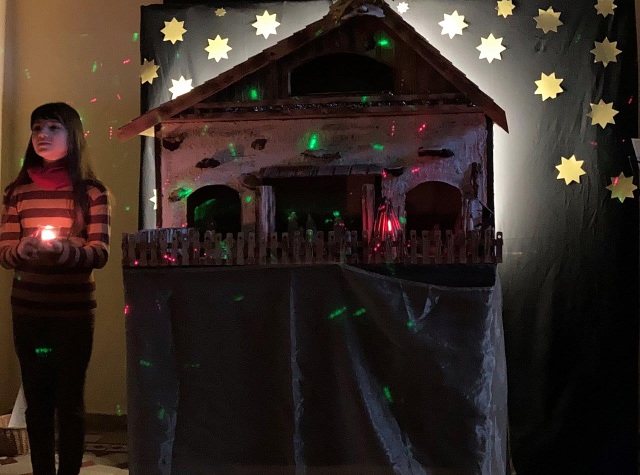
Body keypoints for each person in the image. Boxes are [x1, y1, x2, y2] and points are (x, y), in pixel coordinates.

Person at [0, 102, 111, 475]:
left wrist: (64, 252)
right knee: (37, 399)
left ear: (73, 135)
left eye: (52, 127)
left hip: (73, 314)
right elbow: (4, 251)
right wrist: (21, 250)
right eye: (36, 128)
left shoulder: (92, 193)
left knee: (70, 401)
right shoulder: (17, 191)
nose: (42, 135)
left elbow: (100, 253)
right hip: (28, 311)